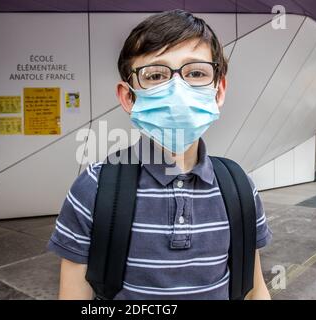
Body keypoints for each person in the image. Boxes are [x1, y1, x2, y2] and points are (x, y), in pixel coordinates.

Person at [47, 9, 273, 300]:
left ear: (218, 91)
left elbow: (254, 290)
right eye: (155, 75)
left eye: (196, 73)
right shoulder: (93, 188)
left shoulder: (240, 187)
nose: (178, 88)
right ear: (128, 96)